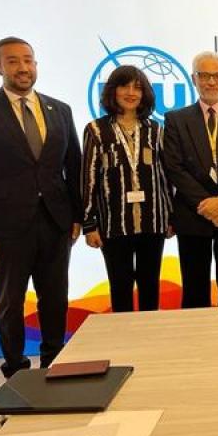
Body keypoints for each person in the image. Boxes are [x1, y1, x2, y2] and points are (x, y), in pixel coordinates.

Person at [0, 37, 81, 377]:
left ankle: (54, 365)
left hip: (56, 224)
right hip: (4, 230)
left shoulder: (60, 110)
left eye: (28, 60)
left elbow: (74, 167)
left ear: (36, 64)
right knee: (11, 304)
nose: (23, 67)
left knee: (55, 299)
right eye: (13, 61)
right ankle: (16, 371)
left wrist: (77, 216)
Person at [163, 51, 218, 307]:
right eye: (204, 75)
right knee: (194, 290)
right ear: (194, 79)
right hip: (193, 215)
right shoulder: (176, 120)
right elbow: (174, 168)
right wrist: (207, 205)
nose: (211, 82)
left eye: (217, 76)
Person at [82, 65, 173, 312]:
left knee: (150, 286)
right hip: (114, 224)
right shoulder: (96, 130)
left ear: (145, 94)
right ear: (113, 91)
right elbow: (89, 178)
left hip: (153, 222)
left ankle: (149, 336)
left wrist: (171, 216)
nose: (131, 93)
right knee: (120, 287)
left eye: (137, 88)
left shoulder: (156, 130)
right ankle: (122, 337)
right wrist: (89, 225)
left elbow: (166, 176)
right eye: (124, 86)